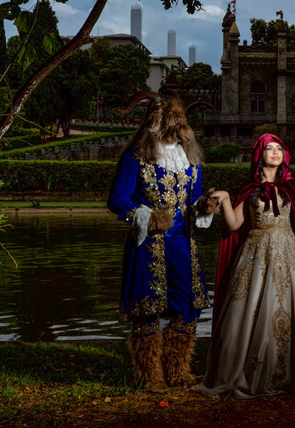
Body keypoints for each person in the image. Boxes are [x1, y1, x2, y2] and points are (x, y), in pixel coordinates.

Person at [195, 133, 295, 399]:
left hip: (288, 252)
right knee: (251, 307)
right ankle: (251, 370)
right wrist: (227, 199)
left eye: (279, 148)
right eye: (269, 148)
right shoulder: (249, 189)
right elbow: (233, 225)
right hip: (255, 253)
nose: (276, 152)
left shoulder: (292, 187)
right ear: (259, 155)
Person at [107, 94, 213, 391]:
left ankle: (178, 372)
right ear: (156, 123)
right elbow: (117, 200)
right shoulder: (135, 157)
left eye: (181, 120)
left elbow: (193, 201)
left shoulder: (190, 161)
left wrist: (204, 206)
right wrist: (146, 216)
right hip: (147, 245)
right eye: (173, 120)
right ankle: (149, 377)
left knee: (188, 309)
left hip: (183, 244)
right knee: (147, 310)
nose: (180, 125)